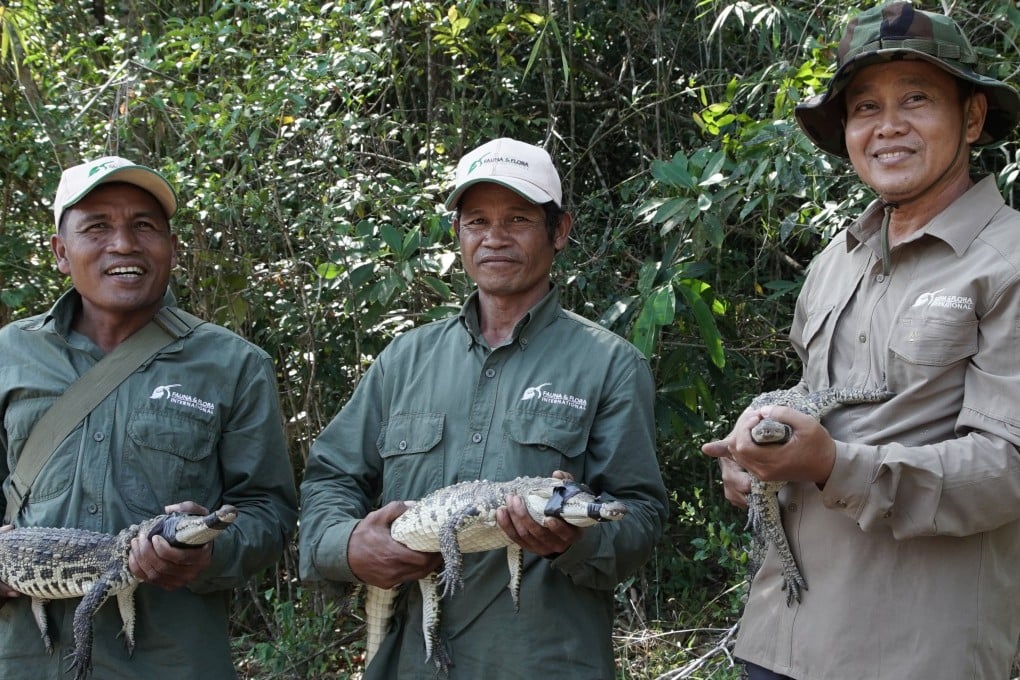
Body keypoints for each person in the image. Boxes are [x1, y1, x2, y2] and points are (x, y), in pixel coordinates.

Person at [702, 3, 1020, 679]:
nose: (888, 126)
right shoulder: (837, 259)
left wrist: (833, 466)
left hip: (911, 655)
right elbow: (810, 395)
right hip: (777, 638)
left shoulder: (1008, 263)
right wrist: (753, 437)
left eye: (917, 99)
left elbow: (1007, 468)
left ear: (971, 119)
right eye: (865, 106)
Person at [299, 137, 668, 678]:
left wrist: (575, 543)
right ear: (458, 234)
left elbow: (640, 515)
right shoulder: (404, 359)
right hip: (409, 661)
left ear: (558, 231)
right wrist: (350, 546)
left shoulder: (610, 365)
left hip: (542, 661)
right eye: (476, 221)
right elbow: (331, 477)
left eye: (518, 218)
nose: (495, 238)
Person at [0, 156, 299, 679]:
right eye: (96, 227)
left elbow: (268, 512)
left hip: (170, 661)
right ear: (60, 252)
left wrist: (207, 552)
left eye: (144, 225)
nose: (124, 244)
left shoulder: (233, 365)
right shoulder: (8, 354)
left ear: (172, 248)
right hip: (24, 659)